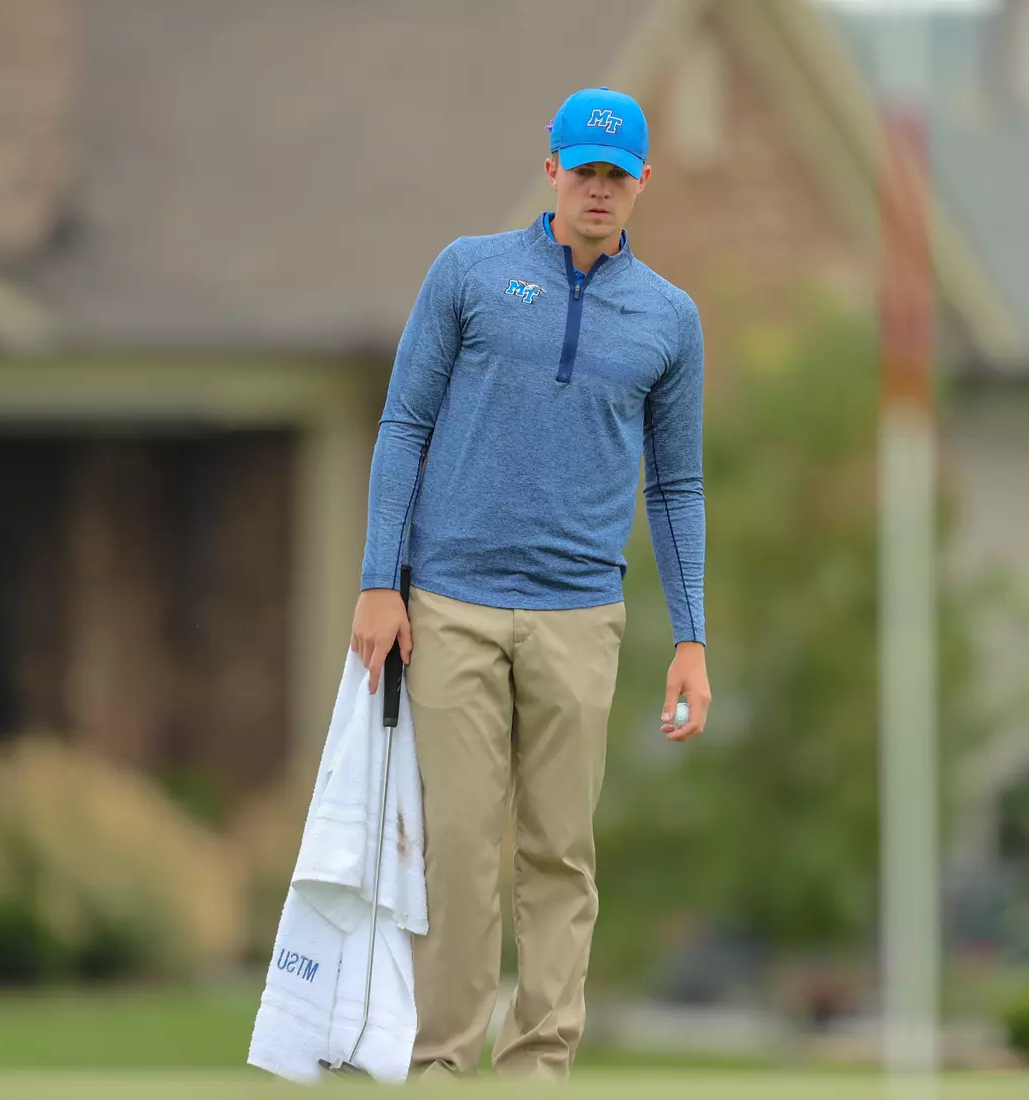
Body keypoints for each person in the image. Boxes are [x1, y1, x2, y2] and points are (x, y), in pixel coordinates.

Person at [350, 85, 710, 1080]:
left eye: (617, 175)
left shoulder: (669, 320)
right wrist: (382, 578)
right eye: (583, 170)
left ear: (640, 182)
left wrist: (692, 636)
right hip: (452, 606)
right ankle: (441, 1065)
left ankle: (537, 1068)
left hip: (581, 614)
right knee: (460, 848)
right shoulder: (470, 274)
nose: (598, 190)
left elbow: (676, 485)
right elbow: (403, 424)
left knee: (559, 856)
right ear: (552, 168)